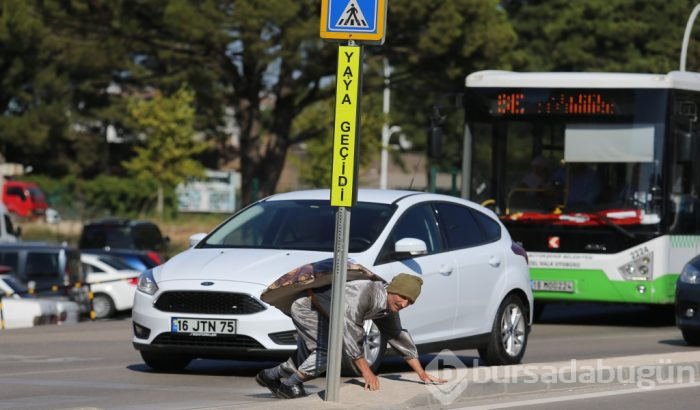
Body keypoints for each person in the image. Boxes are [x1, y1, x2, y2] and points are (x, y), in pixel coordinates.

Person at [255, 273, 445, 399]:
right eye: (402, 297)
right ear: (392, 290)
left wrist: (421, 373)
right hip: (308, 307)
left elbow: (397, 336)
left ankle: (269, 376)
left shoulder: (388, 308)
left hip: (327, 313)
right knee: (328, 351)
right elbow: (351, 334)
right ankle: (289, 386)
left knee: (311, 357)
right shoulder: (364, 293)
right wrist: (366, 371)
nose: (404, 304)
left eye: (410, 302)